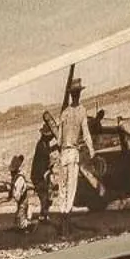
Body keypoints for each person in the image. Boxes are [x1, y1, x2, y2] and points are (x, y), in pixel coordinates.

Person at [54, 81, 95, 214]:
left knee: (62, 188)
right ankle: (66, 220)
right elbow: (86, 133)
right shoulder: (82, 111)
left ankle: (63, 216)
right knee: (71, 188)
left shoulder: (64, 113)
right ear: (79, 94)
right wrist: (91, 149)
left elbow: (59, 141)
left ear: (71, 95)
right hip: (72, 153)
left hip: (63, 154)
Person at [30, 118, 56, 219]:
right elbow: (46, 154)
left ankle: (44, 215)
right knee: (45, 196)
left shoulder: (44, 143)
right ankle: (43, 215)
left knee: (47, 196)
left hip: (42, 174)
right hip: (39, 176)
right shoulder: (41, 145)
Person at [7, 154, 33, 229]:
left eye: (12, 171)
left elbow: (17, 195)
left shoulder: (19, 179)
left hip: (22, 202)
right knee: (18, 220)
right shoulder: (16, 178)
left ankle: (30, 225)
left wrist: (13, 194)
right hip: (21, 202)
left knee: (21, 223)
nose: (11, 173)